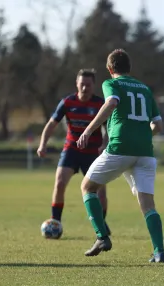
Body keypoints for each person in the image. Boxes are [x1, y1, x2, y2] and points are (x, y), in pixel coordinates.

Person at [76, 49, 164, 263]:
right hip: (145, 151)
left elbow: (111, 103)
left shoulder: (111, 84)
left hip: (120, 148)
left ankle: (101, 237)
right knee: (148, 205)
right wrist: (141, 136)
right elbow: (158, 125)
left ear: (110, 69)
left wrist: (88, 131)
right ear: (129, 68)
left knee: (88, 187)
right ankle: (159, 252)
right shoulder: (144, 89)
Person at [37, 69, 111, 235]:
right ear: (77, 84)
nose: (85, 88)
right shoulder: (67, 102)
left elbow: (110, 129)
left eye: (88, 85)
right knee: (60, 182)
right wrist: (43, 145)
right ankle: (55, 221)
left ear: (94, 86)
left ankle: (101, 223)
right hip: (71, 150)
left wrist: (105, 144)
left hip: (93, 152)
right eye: (82, 84)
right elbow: (51, 124)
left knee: (100, 191)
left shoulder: (101, 104)